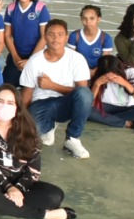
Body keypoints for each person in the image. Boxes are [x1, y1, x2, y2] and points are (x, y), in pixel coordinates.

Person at [0, 85, 75, 219]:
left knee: (55, 196)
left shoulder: (28, 129)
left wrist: (18, 189)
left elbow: (34, 169)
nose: (4, 106)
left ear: (17, 107)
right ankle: (46, 215)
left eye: (10, 103)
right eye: (0, 101)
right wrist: (8, 188)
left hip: (23, 182)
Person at [20, 19, 92, 158]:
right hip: (40, 103)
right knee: (28, 140)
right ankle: (49, 128)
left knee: (84, 94)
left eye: (60, 34)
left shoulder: (77, 59)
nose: (55, 38)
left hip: (65, 103)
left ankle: (73, 139)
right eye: (51, 34)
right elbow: (27, 93)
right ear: (45, 37)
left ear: (66, 37)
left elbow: (83, 92)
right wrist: (20, 120)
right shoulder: (35, 61)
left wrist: (52, 86)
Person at [88, 54, 134, 132]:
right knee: (87, 110)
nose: (111, 77)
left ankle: (107, 118)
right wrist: (97, 84)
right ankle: (128, 124)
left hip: (128, 108)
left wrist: (125, 84)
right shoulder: (97, 75)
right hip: (105, 107)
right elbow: (90, 104)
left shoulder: (132, 72)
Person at [3, 0, 50, 85]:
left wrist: (31, 60)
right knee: (6, 86)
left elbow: (45, 37)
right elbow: (7, 36)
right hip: (17, 54)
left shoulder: (40, 7)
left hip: (38, 55)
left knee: (34, 87)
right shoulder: (11, 8)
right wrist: (15, 58)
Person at [66, 5, 114, 75]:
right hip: (78, 71)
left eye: (92, 18)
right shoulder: (74, 36)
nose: (88, 21)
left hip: (99, 71)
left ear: (98, 19)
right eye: (84, 18)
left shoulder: (106, 38)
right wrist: (85, 73)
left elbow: (104, 62)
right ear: (81, 19)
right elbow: (72, 59)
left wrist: (93, 73)